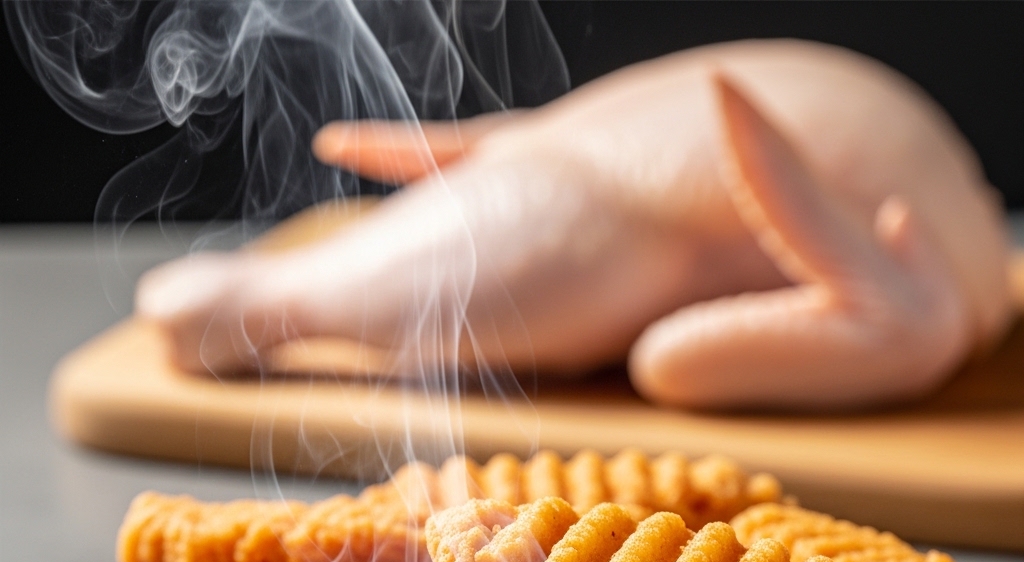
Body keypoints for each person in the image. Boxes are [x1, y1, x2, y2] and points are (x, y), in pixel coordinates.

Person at [136, 39, 1011, 411]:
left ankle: (263, 301)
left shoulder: (940, 304)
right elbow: (672, 360)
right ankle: (264, 301)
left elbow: (673, 360)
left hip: (583, 171)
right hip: (578, 169)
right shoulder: (956, 285)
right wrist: (522, 140)